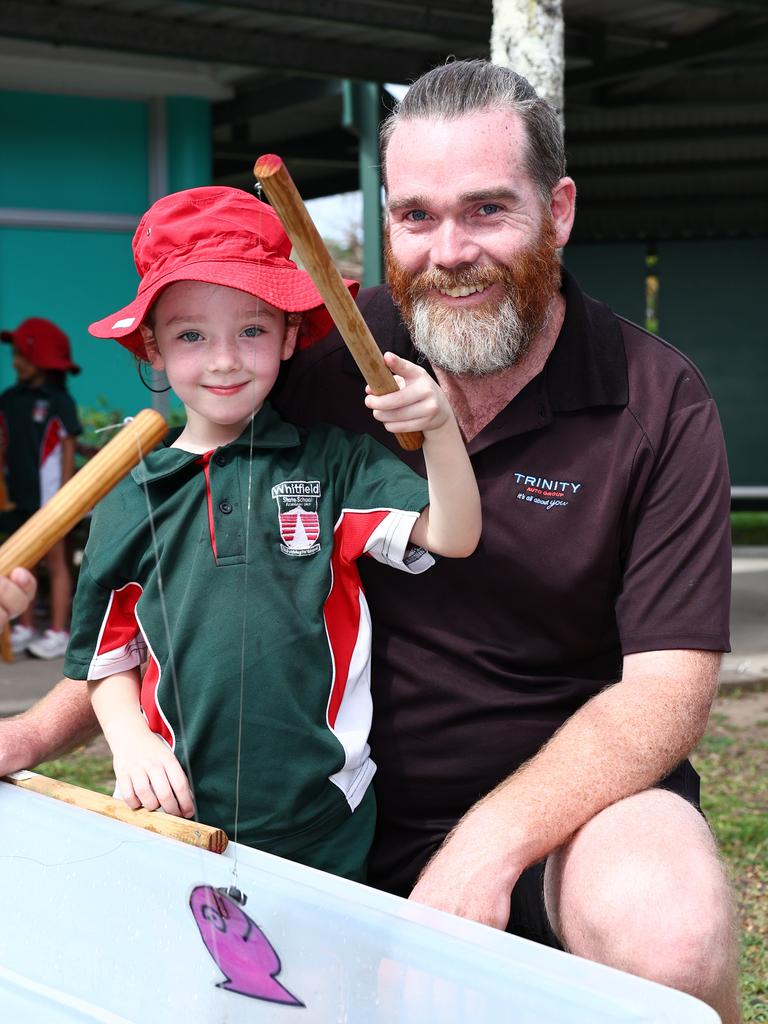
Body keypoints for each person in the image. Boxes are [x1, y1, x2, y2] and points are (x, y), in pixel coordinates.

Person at [0, 59, 738, 1022]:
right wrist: (27, 734)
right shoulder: (303, 356)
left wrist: (485, 849)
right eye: (417, 215)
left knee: (672, 931)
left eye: (487, 210)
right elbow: (158, 591)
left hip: (559, 814)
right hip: (321, 820)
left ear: (557, 210)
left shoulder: (655, 399)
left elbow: (665, 695)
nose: (448, 250)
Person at [61, 185, 480, 882]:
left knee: (324, 986)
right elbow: (107, 657)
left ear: (290, 334)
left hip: (325, 822)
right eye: (191, 334)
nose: (224, 359)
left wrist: (439, 428)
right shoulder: (130, 499)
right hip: (175, 819)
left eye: (251, 330)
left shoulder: (335, 463)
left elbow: (454, 534)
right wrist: (132, 745)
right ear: (152, 348)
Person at [0, 317, 82, 659]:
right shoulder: (9, 398)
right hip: (17, 494)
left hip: (51, 499)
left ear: (42, 358)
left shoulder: (59, 401)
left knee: (56, 560)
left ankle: (59, 630)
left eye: (22, 355)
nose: (15, 362)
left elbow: (66, 447)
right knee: (24, 562)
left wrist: (63, 498)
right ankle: (24, 625)